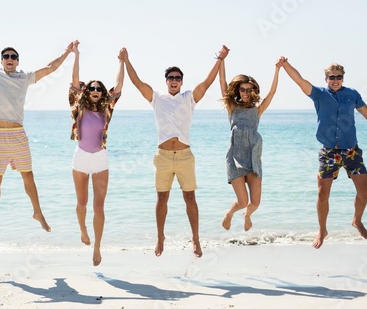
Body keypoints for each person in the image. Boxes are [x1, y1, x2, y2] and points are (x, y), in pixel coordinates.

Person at [0, 28, 73, 243]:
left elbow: (50, 68)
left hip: (18, 134)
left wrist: (67, 51)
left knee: (28, 176)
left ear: (17, 61)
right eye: (6, 56)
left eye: (13, 57)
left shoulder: (24, 77)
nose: (10, 59)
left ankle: (38, 212)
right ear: (2, 60)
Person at [119, 45, 230, 258]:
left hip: (184, 156)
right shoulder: (157, 98)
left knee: (190, 197)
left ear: (181, 81)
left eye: (177, 77)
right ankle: (160, 237)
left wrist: (220, 58)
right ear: (166, 80)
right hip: (162, 156)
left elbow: (207, 83)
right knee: (162, 198)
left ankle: (196, 239)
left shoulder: (188, 97)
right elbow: (137, 82)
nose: (174, 80)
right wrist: (126, 61)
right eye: (170, 77)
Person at [281, 57, 367, 249]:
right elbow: (299, 80)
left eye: (339, 77)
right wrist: (285, 65)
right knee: (322, 194)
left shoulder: (352, 94)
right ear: (326, 78)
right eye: (332, 77)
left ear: (343, 78)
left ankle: (357, 220)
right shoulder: (318, 94)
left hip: (351, 150)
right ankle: (322, 230)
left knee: (364, 191)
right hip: (329, 151)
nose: (335, 80)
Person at [68, 41, 124, 266]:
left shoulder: (106, 108)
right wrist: (76, 55)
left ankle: (97, 247)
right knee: (81, 203)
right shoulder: (78, 107)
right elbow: (74, 83)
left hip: (100, 158)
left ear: (102, 94)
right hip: (81, 156)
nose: (94, 91)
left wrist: (122, 62)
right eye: (91, 88)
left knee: (99, 206)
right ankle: (82, 230)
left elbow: (118, 87)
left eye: (98, 89)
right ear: (86, 92)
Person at [220, 57, 284, 232]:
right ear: (238, 90)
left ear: (253, 91)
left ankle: (247, 216)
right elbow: (222, 82)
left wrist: (277, 70)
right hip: (235, 158)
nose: (245, 93)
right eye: (242, 90)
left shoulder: (257, 110)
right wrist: (221, 60)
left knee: (254, 203)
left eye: (248, 90)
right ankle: (229, 213)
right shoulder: (232, 108)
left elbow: (271, 93)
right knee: (242, 201)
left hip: (253, 158)